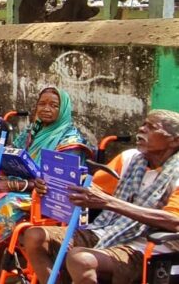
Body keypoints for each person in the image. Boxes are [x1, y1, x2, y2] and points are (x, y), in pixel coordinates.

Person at [0, 87, 91, 284]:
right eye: (42, 104)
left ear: (63, 109)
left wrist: (15, 185)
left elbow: (60, 183)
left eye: (53, 105)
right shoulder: (33, 130)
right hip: (25, 184)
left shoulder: (70, 141)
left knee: (7, 202)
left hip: (48, 196)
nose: (46, 109)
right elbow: (14, 152)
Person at [23, 109, 179, 284]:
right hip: (108, 229)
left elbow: (174, 221)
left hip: (147, 246)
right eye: (143, 124)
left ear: (175, 140)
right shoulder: (129, 158)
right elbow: (90, 190)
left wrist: (109, 202)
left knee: (81, 259)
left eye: (152, 127)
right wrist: (50, 185)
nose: (142, 129)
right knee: (35, 236)